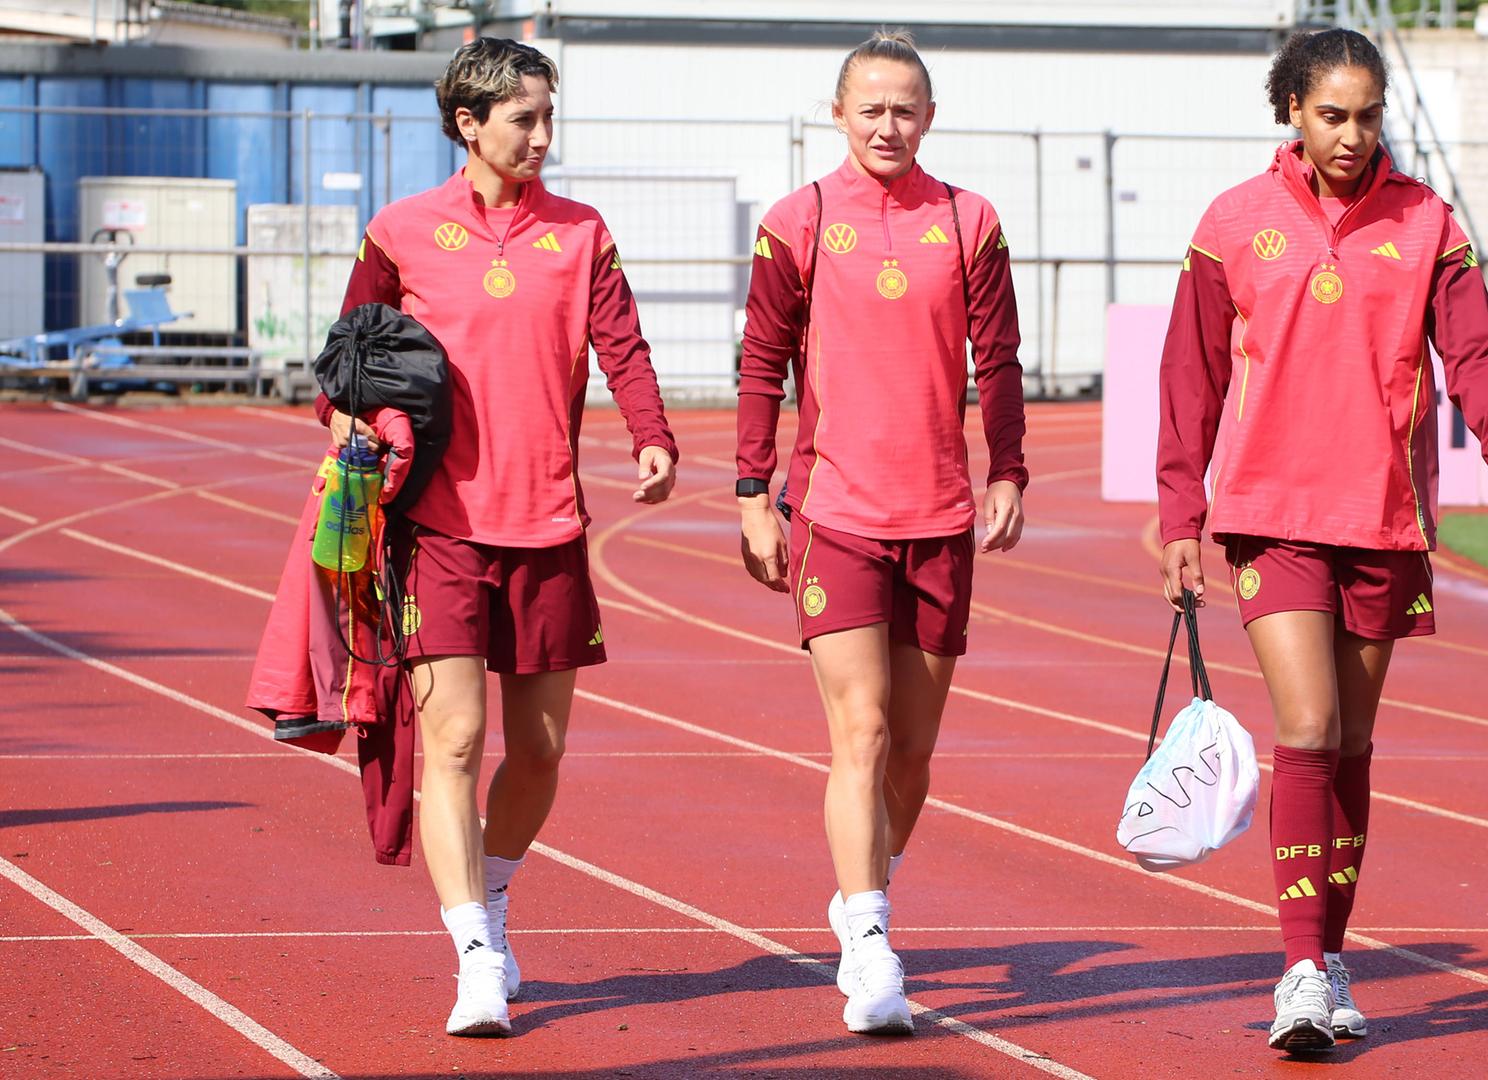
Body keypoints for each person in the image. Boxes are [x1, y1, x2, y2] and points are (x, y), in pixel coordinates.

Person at [1156, 28, 1488, 1054]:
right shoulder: (1232, 222)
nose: (1353, 135)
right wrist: (1179, 515)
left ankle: (1331, 955)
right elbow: (1189, 379)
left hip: (1383, 517)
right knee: (1312, 730)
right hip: (1270, 516)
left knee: (1354, 749)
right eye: (1333, 114)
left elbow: (1475, 348)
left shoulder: (1427, 222)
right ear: (1291, 110)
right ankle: (1296, 971)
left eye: (1369, 116)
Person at [317, 37, 679, 1037]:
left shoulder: (583, 231)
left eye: (548, 117)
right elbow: (343, 366)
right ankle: (475, 951)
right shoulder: (399, 230)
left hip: (549, 524)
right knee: (457, 740)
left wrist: (651, 436)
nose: (542, 137)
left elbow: (624, 347)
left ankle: (497, 892)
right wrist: (355, 430)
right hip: (436, 528)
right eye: (524, 118)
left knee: (544, 749)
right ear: (468, 124)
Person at [734, 29, 1028, 1036]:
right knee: (857, 733)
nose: (888, 125)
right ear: (839, 113)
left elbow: (1000, 357)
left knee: (911, 754)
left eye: (906, 108)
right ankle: (869, 943)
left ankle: (864, 881)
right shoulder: (800, 219)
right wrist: (750, 490)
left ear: (930, 117)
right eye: (871, 108)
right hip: (837, 514)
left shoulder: (971, 219)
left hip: (940, 514)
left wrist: (1010, 470)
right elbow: (762, 358)